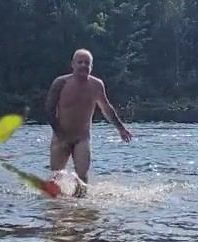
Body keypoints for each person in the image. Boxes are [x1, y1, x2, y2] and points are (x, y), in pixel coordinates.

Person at [44, 49, 132, 195]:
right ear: (73, 64)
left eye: (87, 63)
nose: (83, 65)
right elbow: (49, 109)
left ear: (91, 66)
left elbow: (106, 108)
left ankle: (81, 205)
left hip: (82, 138)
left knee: (82, 177)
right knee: (56, 177)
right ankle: (56, 205)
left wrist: (121, 128)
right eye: (80, 62)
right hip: (60, 137)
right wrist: (60, 134)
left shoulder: (96, 85)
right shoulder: (61, 83)